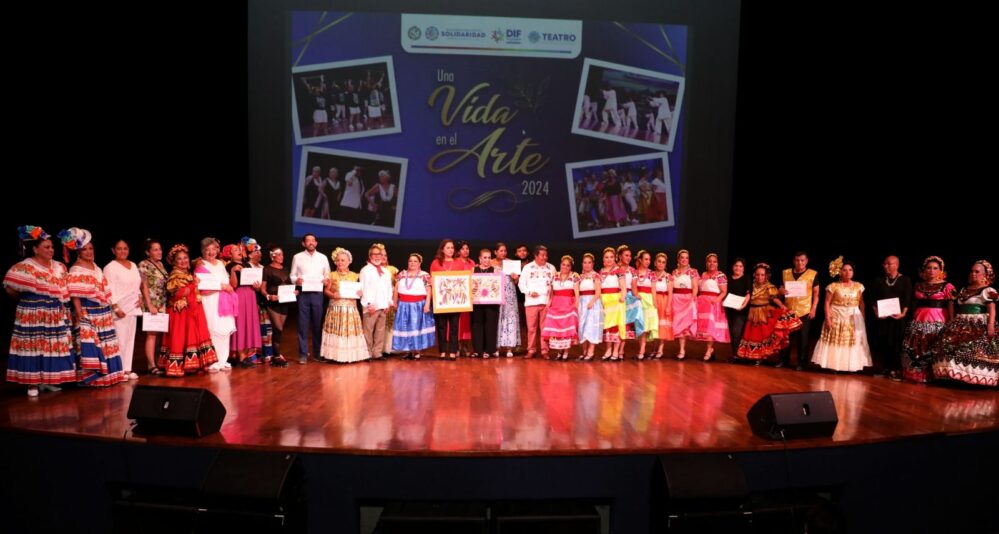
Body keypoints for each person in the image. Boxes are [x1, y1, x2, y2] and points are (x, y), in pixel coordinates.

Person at [4, 226, 77, 396]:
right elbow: (9, 287)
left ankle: (47, 380)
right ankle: (32, 383)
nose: (51, 250)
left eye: (52, 247)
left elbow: (64, 292)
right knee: (34, 345)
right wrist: (26, 301)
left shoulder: (59, 267)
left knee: (50, 346)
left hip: (54, 312)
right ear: (35, 249)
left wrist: (66, 311)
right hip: (33, 312)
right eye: (46, 247)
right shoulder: (26, 267)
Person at [62, 228, 126, 386]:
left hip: (102, 310)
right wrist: (79, 312)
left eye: (91, 248)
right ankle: (93, 379)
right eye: (85, 249)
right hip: (88, 310)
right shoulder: (76, 268)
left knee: (105, 343)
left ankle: (109, 375)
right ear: (78, 252)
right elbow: (75, 293)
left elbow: (104, 289)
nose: (89, 252)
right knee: (92, 344)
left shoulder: (96, 267)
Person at [931, 260, 998, 387]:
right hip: (961, 322)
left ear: (985, 275)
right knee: (947, 344)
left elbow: (992, 309)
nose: (973, 274)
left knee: (973, 347)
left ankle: (973, 377)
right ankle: (954, 376)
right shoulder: (963, 290)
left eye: (977, 272)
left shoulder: (987, 290)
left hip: (978, 323)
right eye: (972, 271)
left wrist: (990, 325)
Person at [157, 244, 219, 376]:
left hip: (191, 310)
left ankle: (193, 365)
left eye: (185, 258)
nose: (183, 261)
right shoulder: (175, 275)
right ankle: (178, 367)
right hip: (180, 313)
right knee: (180, 337)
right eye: (179, 259)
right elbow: (180, 293)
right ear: (174, 261)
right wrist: (193, 284)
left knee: (192, 336)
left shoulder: (187, 274)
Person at [811, 258, 872, 372]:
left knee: (852, 341)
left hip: (853, 316)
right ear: (840, 272)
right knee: (837, 340)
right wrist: (828, 318)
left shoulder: (859, 286)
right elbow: (827, 303)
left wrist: (862, 317)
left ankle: (851, 366)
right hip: (837, 315)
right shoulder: (833, 286)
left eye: (850, 270)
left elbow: (861, 303)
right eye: (844, 270)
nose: (847, 272)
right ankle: (835, 365)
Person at [901, 256, 954, 382]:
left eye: (935, 268)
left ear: (941, 271)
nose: (932, 271)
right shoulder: (918, 285)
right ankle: (916, 374)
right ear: (924, 270)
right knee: (917, 344)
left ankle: (934, 375)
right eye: (929, 268)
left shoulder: (948, 286)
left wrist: (951, 320)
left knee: (934, 345)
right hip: (919, 318)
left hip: (938, 318)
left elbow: (951, 304)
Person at [736, 263, 800, 364]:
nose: (760, 277)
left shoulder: (769, 287)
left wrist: (781, 306)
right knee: (753, 336)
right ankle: (753, 356)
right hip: (751, 313)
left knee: (763, 336)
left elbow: (774, 298)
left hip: (764, 313)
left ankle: (761, 357)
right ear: (754, 275)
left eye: (762, 275)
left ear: (766, 275)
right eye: (757, 274)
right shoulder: (750, 285)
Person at [321, 247, 369, 363]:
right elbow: (326, 291)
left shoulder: (355, 275)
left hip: (350, 309)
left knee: (349, 331)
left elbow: (361, 291)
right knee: (336, 330)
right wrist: (332, 295)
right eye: (338, 260)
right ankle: (335, 356)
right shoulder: (331, 275)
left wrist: (360, 293)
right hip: (336, 308)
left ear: (349, 261)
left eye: (343, 260)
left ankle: (350, 356)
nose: (340, 262)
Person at [867, 255, 912, 380]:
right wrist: (876, 312)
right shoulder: (879, 280)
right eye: (884, 264)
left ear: (896, 265)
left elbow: (907, 298)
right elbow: (872, 299)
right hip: (883, 318)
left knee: (896, 344)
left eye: (889, 264)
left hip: (897, 319)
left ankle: (895, 370)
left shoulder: (905, 280)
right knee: (883, 342)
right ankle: (884, 368)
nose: (886, 266)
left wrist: (903, 313)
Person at [194, 237, 235, 371]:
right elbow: (202, 287)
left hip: (224, 301)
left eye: (213, 249)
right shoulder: (201, 265)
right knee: (213, 331)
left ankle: (223, 360)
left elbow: (226, 281)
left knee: (224, 330)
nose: (211, 252)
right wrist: (221, 286)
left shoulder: (220, 263)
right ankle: (213, 361)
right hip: (210, 301)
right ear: (202, 251)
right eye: (207, 250)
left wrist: (226, 286)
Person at [104, 239, 143, 379]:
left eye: (125, 248)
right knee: (120, 339)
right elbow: (108, 288)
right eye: (119, 248)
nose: (122, 251)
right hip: (119, 308)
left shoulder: (132, 265)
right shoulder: (110, 267)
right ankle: (118, 370)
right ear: (113, 250)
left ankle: (127, 369)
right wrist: (115, 307)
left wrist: (140, 298)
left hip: (132, 306)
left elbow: (137, 284)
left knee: (130, 339)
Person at [290, 233, 330, 363]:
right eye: (308, 241)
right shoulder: (297, 257)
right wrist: (297, 281)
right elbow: (292, 275)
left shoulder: (323, 257)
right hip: (304, 294)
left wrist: (326, 281)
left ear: (316, 243)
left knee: (317, 325)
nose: (311, 243)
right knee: (303, 325)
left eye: (313, 241)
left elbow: (327, 275)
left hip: (318, 294)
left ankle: (317, 354)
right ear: (303, 243)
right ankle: (303, 354)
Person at [779, 251, 820, 370]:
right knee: (785, 337)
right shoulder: (786, 273)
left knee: (803, 339)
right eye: (797, 260)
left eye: (802, 260)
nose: (800, 262)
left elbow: (816, 293)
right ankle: (783, 360)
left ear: (806, 261)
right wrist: (781, 290)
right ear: (794, 261)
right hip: (788, 310)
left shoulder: (812, 274)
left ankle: (801, 363)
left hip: (804, 310)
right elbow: (780, 287)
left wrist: (813, 308)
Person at [226, 238, 263, 367]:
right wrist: (233, 271)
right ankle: (240, 357)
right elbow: (234, 285)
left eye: (239, 249)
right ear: (230, 254)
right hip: (239, 295)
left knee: (250, 323)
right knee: (241, 323)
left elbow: (257, 286)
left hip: (251, 294)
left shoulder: (247, 265)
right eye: (235, 250)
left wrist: (257, 286)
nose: (239, 251)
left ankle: (246, 355)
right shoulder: (229, 266)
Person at [392, 253, 435, 359]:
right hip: (403, 305)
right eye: (410, 261)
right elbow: (396, 289)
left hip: (418, 305)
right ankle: (408, 350)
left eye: (415, 261)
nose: (412, 263)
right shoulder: (402, 274)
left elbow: (429, 290)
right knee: (405, 327)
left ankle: (417, 351)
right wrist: (395, 302)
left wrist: (427, 304)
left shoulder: (424, 275)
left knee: (416, 327)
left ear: (420, 263)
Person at [518, 245, 556, 359]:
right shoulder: (528, 268)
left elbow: (555, 285)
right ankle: (531, 349)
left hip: (546, 302)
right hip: (531, 302)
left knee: (545, 329)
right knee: (531, 328)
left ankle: (545, 351)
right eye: (542, 255)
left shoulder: (551, 268)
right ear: (536, 256)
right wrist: (529, 292)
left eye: (546, 255)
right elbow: (521, 284)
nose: (545, 257)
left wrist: (551, 300)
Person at [139, 239, 168, 375]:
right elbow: (143, 285)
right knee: (151, 335)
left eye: (160, 249)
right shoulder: (144, 264)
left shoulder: (161, 264)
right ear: (147, 252)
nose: (159, 252)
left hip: (161, 303)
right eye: (155, 249)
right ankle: (151, 365)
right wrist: (149, 304)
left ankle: (157, 362)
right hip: (151, 304)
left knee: (158, 335)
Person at [541, 255, 580, 360]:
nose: (565, 267)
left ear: (571, 267)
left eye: (568, 265)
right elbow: (551, 292)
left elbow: (577, 293)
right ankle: (559, 352)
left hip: (568, 305)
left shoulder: (574, 277)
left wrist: (576, 303)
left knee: (566, 330)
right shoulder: (555, 276)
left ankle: (566, 352)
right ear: (560, 265)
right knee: (557, 329)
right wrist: (549, 302)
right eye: (563, 265)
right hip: (556, 305)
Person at [359, 243, 394, 360]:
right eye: (374, 254)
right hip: (371, 307)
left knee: (380, 331)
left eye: (379, 254)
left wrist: (388, 302)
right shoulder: (365, 270)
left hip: (383, 306)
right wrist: (368, 304)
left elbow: (389, 288)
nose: (377, 256)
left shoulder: (385, 271)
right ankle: (367, 353)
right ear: (370, 255)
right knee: (368, 331)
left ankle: (377, 353)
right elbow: (362, 289)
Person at [259, 244, 291, 367]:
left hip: (285, 302)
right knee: (278, 328)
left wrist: (294, 292)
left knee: (278, 331)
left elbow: (288, 285)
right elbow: (263, 288)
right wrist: (268, 296)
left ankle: (275, 354)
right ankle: (276, 356)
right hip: (273, 302)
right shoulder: (267, 269)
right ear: (272, 256)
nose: (282, 257)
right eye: (279, 254)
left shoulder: (285, 269)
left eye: (282, 254)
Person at [430, 239, 462, 359]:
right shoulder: (435, 263)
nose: (450, 250)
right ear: (442, 249)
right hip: (441, 300)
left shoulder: (459, 263)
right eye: (448, 247)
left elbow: (463, 281)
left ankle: (453, 351)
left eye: (452, 248)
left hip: (455, 300)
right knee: (442, 326)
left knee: (454, 326)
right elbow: (432, 280)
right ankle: (443, 351)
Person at [695, 253, 730, 361]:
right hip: (702, 303)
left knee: (711, 329)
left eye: (714, 261)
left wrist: (716, 301)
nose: (712, 263)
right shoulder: (703, 274)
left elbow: (724, 292)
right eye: (709, 261)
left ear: (717, 263)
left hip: (713, 304)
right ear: (706, 263)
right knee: (705, 329)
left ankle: (709, 350)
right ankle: (710, 350)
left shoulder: (720, 276)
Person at [471, 249, 501, 359]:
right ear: (479, 258)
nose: (487, 260)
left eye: (489, 257)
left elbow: (498, 286)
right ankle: (478, 350)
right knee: (477, 325)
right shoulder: (473, 269)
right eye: (484, 257)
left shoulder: (495, 270)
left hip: (491, 304)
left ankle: (489, 350)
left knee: (490, 326)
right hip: (477, 303)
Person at [492, 242, 521, 358]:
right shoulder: (491, 263)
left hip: (510, 295)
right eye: (500, 251)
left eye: (505, 251)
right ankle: (496, 348)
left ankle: (510, 348)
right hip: (496, 294)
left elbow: (517, 282)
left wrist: (516, 278)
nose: (503, 253)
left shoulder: (511, 263)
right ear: (495, 252)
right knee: (497, 319)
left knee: (510, 319)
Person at [599, 247, 627, 361]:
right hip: (605, 301)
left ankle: (615, 350)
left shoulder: (619, 270)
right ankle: (608, 349)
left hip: (616, 300)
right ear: (603, 259)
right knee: (607, 327)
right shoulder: (601, 271)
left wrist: (622, 297)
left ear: (614, 257)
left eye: (611, 257)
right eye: (607, 257)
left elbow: (623, 286)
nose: (609, 259)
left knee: (616, 325)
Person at [671, 249, 699, 359]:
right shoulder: (674, 272)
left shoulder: (693, 271)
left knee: (685, 326)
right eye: (682, 257)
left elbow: (695, 287)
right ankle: (681, 348)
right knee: (677, 324)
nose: (684, 260)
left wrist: (692, 299)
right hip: (676, 299)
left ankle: (682, 350)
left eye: (686, 258)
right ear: (678, 259)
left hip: (688, 299)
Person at [576, 252, 603, 361]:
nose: (587, 265)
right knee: (582, 327)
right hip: (582, 303)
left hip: (592, 303)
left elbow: (598, 292)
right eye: (585, 263)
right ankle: (584, 351)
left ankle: (591, 352)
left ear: (593, 264)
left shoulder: (596, 276)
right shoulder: (580, 277)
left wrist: (592, 301)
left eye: (589, 263)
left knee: (591, 327)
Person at [632, 250, 658, 359]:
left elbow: (653, 289)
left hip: (649, 301)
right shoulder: (635, 273)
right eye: (645, 259)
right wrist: (636, 295)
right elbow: (634, 287)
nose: (648, 261)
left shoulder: (652, 274)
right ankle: (641, 349)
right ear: (640, 260)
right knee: (640, 325)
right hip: (638, 301)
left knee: (647, 325)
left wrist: (655, 302)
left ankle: (642, 350)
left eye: (649, 259)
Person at [725, 258, 751, 359]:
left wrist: (743, 306)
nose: (738, 268)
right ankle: (735, 353)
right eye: (736, 266)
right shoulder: (728, 279)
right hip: (729, 309)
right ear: (732, 267)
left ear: (743, 268)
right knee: (731, 332)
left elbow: (748, 294)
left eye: (740, 266)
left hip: (741, 310)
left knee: (737, 331)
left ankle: (737, 354)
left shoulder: (746, 278)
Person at [651, 253, 673, 359]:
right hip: (653, 300)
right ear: (655, 263)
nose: (661, 264)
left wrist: (668, 306)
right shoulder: (651, 275)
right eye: (659, 261)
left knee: (662, 325)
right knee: (654, 325)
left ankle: (660, 349)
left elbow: (670, 292)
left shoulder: (668, 277)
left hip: (663, 301)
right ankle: (655, 348)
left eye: (663, 262)